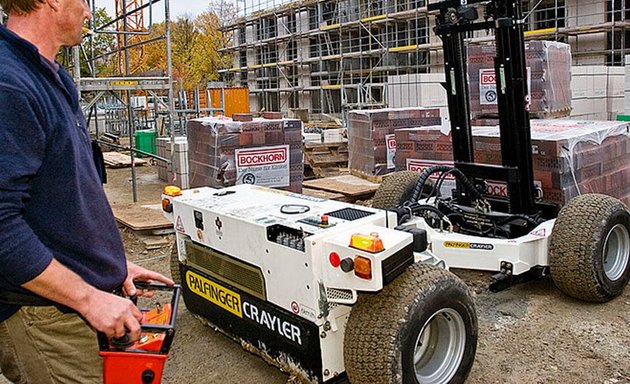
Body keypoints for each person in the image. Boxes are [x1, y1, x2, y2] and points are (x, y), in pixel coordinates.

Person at [0, 0, 173, 383]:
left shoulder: (50, 77)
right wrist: (88, 297)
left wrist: (110, 266)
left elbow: (62, 200)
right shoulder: (9, 83)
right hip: (46, 317)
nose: (90, 12)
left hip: (69, 304)